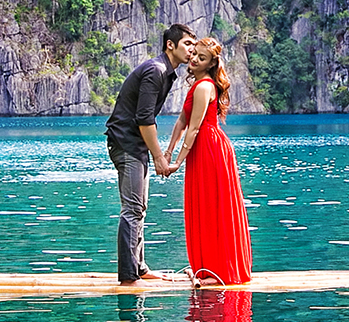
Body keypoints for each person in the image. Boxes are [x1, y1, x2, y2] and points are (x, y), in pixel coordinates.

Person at [106, 24, 196, 284]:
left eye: (193, 45)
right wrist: (159, 157)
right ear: (171, 45)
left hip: (136, 145)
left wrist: (158, 153)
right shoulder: (156, 71)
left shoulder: (166, 73)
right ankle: (128, 276)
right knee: (132, 209)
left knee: (139, 208)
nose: (191, 50)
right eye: (187, 44)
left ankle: (140, 268)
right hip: (127, 143)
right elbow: (144, 119)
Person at [169, 37, 252, 285]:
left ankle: (220, 270)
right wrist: (168, 151)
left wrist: (177, 162)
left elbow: (194, 128)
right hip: (201, 147)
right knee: (202, 205)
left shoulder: (205, 86)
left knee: (213, 206)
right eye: (194, 54)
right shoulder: (195, 85)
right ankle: (205, 266)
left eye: (201, 58)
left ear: (210, 64)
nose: (194, 59)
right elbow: (182, 122)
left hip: (209, 147)